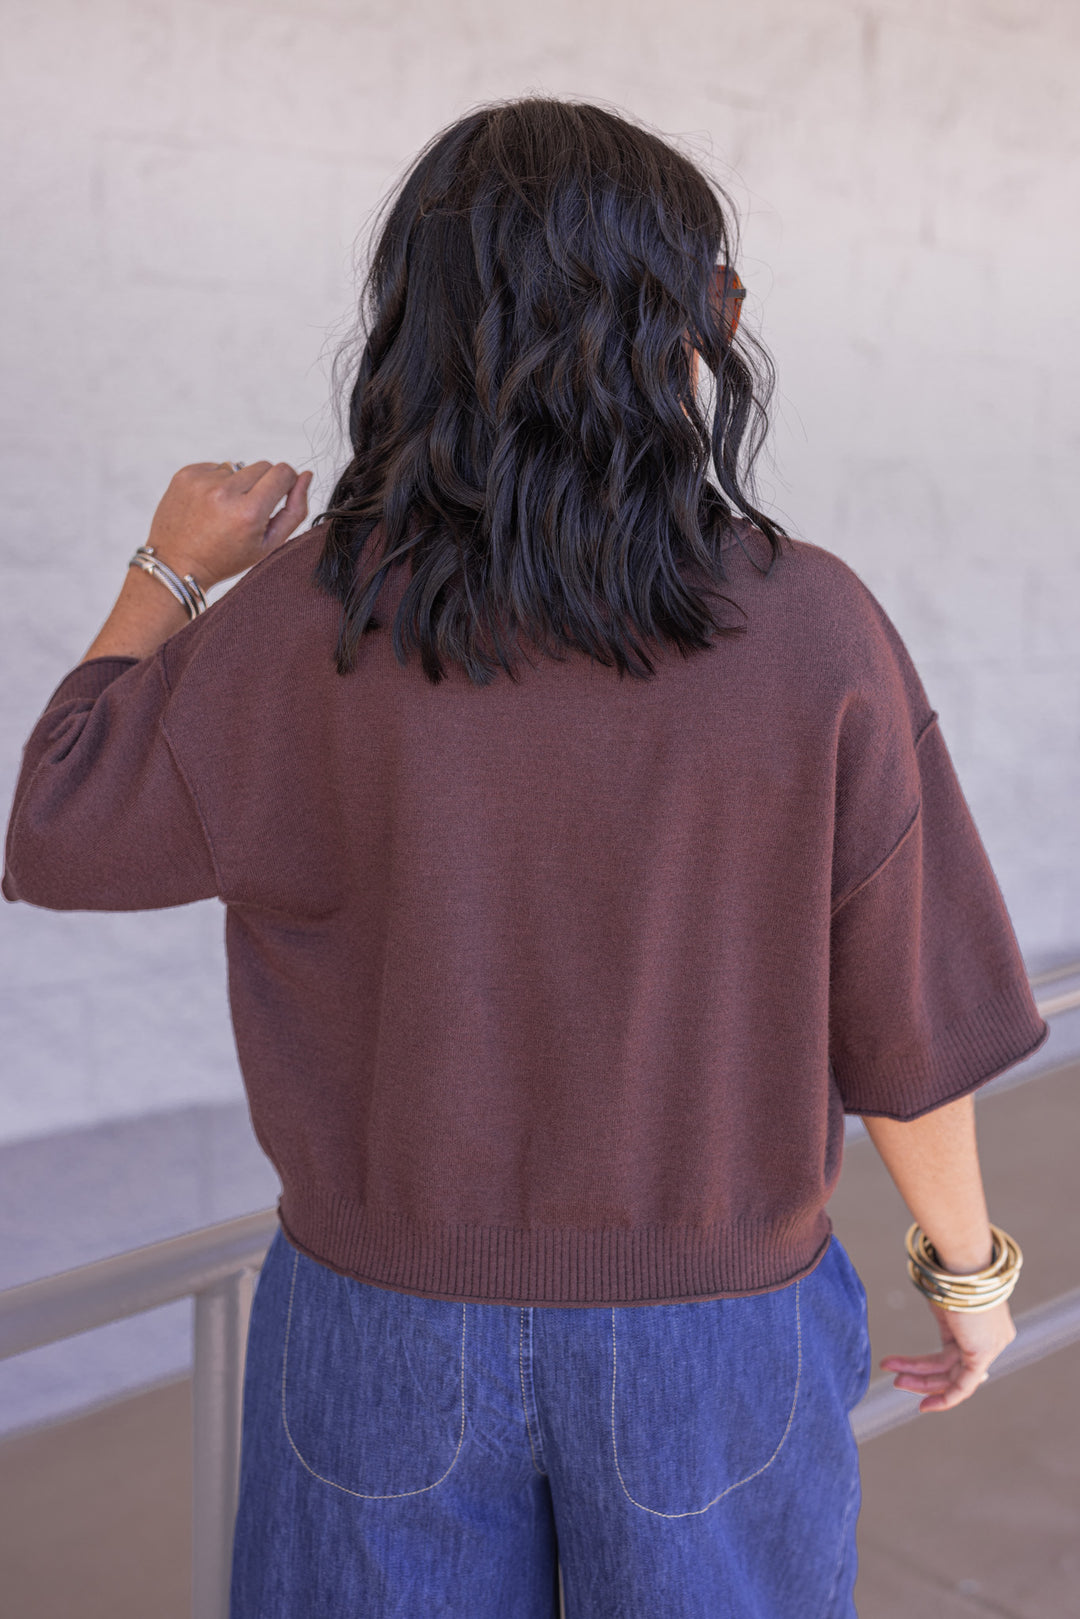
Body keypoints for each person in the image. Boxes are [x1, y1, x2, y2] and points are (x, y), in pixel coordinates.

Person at [2, 98, 1046, 1619]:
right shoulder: (812, 628)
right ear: (683, 330)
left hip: (379, 1334)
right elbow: (906, 1024)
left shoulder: (315, 620)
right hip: (715, 1340)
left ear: (422, 332)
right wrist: (970, 1277)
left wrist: (168, 570)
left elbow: (55, 825)